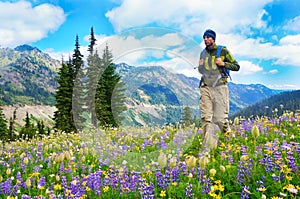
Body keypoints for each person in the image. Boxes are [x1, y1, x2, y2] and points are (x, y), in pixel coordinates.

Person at [198, 29, 240, 153]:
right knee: (206, 118)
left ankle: (229, 140)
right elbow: (202, 71)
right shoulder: (203, 54)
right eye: (204, 37)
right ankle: (206, 148)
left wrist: (223, 63)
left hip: (220, 87)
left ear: (213, 39)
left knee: (220, 119)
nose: (205, 39)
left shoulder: (223, 51)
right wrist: (200, 67)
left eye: (208, 37)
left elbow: (236, 66)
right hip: (206, 87)